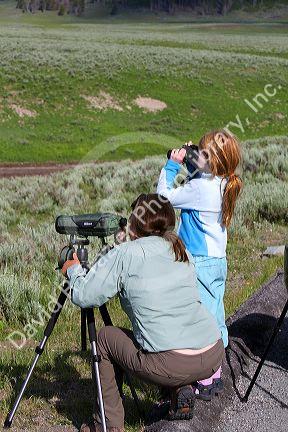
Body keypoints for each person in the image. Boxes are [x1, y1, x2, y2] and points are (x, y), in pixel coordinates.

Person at [62, 193, 224, 432]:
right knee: (171, 324)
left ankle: (107, 425)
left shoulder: (126, 254)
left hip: (172, 363)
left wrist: (74, 270)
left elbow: (85, 296)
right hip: (212, 353)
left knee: (106, 338)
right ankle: (179, 390)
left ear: (135, 224)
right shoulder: (181, 250)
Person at [157, 130, 243, 399]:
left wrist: (172, 164)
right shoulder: (223, 181)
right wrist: (192, 160)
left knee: (201, 319)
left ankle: (204, 379)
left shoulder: (199, 187)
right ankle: (215, 373)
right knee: (215, 312)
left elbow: (163, 198)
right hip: (218, 260)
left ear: (211, 160)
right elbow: (202, 179)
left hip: (200, 262)